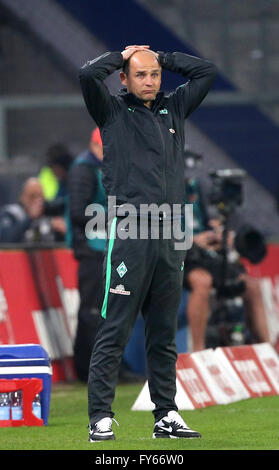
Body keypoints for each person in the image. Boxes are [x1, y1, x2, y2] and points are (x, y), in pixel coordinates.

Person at [79, 44, 217, 441]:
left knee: (163, 331)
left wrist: (163, 56)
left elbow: (206, 71)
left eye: (154, 74)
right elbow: (88, 76)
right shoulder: (110, 111)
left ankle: (166, 415)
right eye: (140, 74)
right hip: (130, 232)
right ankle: (100, 418)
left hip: (171, 232)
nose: (149, 81)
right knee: (116, 327)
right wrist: (122, 54)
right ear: (124, 78)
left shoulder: (173, 109)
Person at [183, 177, 271, 351]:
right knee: (202, 281)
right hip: (179, 256)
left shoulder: (193, 186)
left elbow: (204, 220)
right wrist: (191, 240)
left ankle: (266, 351)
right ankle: (198, 351)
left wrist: (216, 233)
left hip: (204, 254)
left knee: (251, 286)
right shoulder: (159, 186)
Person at [0, 177, 66, 243]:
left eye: (40, 197)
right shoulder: (11, 213)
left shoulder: (49, 214)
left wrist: (62, 232)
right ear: (23, 197)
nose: (38, 201)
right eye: (32, 196)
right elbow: (5, 239)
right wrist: (29, 218)